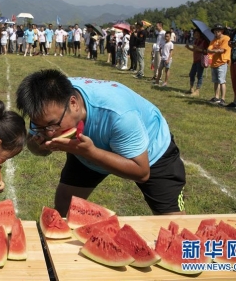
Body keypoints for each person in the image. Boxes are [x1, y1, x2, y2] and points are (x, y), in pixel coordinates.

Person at [16, 69, 186, 217]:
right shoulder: (44, 108)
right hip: (85, 148)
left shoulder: (119, 114)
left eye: (53, 125)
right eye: (39, 127)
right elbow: (38, 148)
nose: (49, 133)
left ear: (73, 103)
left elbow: (141, 172)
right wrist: (38, 146)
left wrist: (89, 152)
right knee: (63, 207)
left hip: (150, 151)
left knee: (174, 224)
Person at [206, 24, 231, 106]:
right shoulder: (213, 40)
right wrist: (215, 50)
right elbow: (209, 49)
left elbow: (222, 50)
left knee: (222, 81)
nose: (216, 32)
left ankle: (223, 99)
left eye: (218, 30)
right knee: (215, 81)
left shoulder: (226, 38)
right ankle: (216, 97)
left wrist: (214, 50)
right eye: (215, 31)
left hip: (222, 62)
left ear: (222, 31)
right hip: (214, 63)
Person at [185, 29, 209, 96]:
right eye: (195, 33)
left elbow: (206, 51)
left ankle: (197, 90)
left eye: (197, 33)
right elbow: (194, 50)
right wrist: (188, 48)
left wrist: (198, 49)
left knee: (199, 75)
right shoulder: (196, 41)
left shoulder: (204, 41)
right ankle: (191, 88)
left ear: (200, 34)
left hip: (200, 60)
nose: (196, 34)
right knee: (191, 74)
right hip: (195, 60)